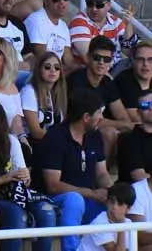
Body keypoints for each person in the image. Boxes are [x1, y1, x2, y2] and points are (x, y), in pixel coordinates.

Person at [41, 89, 114, 251]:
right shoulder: (56, 137)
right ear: (86, 117)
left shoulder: (95, 136)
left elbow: (101, 172)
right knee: (74, 200)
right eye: (99, 113)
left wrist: (111, 191)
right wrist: (92, 194)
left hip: (89, 198)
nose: (102, 118)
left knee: (121, 201)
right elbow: (52, 185)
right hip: (57, 200)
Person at [0, 99, 56, 251]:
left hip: (15, 194)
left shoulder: (10, 141)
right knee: (15, 213)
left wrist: (24, 176)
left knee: (47, 211)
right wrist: (6, 178)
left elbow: (25, 181)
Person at [67, 36, 135, 157]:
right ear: (88, 57)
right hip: (73, 132)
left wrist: (126, 125)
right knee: (109, 133)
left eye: (106, 59)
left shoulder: (107, 83)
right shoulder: (77, 81)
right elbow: (87, 121)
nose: (101, 63)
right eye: (97, 58)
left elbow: (123, 117)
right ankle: (100, 174)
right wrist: (124, 125)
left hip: (96, 131)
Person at [71, 0, 137, 68]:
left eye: (99, 5)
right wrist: (110, 80)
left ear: (109, 5)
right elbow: (90, 59)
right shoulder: (79, 21)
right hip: (90, 73)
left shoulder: (116, 22)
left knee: (138, 60)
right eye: (90, 4)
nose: (94, 9)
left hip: (113, 69)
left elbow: (127, 51)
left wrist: (128, 25)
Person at [21, 51, 67, 153]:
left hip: (51, 144)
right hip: (32, 144)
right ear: (39, 70)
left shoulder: (57, 94)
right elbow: (36, 132)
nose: (52, 70)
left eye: (57, 67)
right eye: (47, 67)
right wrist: (63, 141)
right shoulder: (29, 91)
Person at [26, 0, 75, 67]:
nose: (62, 2)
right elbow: (42, 56)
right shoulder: (37, 19)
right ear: (45, 1)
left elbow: (68, 59)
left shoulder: (63, 26)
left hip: (56, 72)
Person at [78, 183, 137, 251]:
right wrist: (122, 226)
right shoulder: (99, 222)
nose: (114, 207)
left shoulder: (129, 223)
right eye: (112, 202)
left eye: (120, 204)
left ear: (128, 208)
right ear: (107, 202)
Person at [117, 89, 152, 182]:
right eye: (145, 105)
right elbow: (139, 176)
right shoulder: (130, 140)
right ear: (138, 112)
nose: (150, 108)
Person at [115, 42, 152, 123]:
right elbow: (137, 119)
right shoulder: (124, 81)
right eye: (140, 59)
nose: (145, 64)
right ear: (133, 61)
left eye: (150, 59)